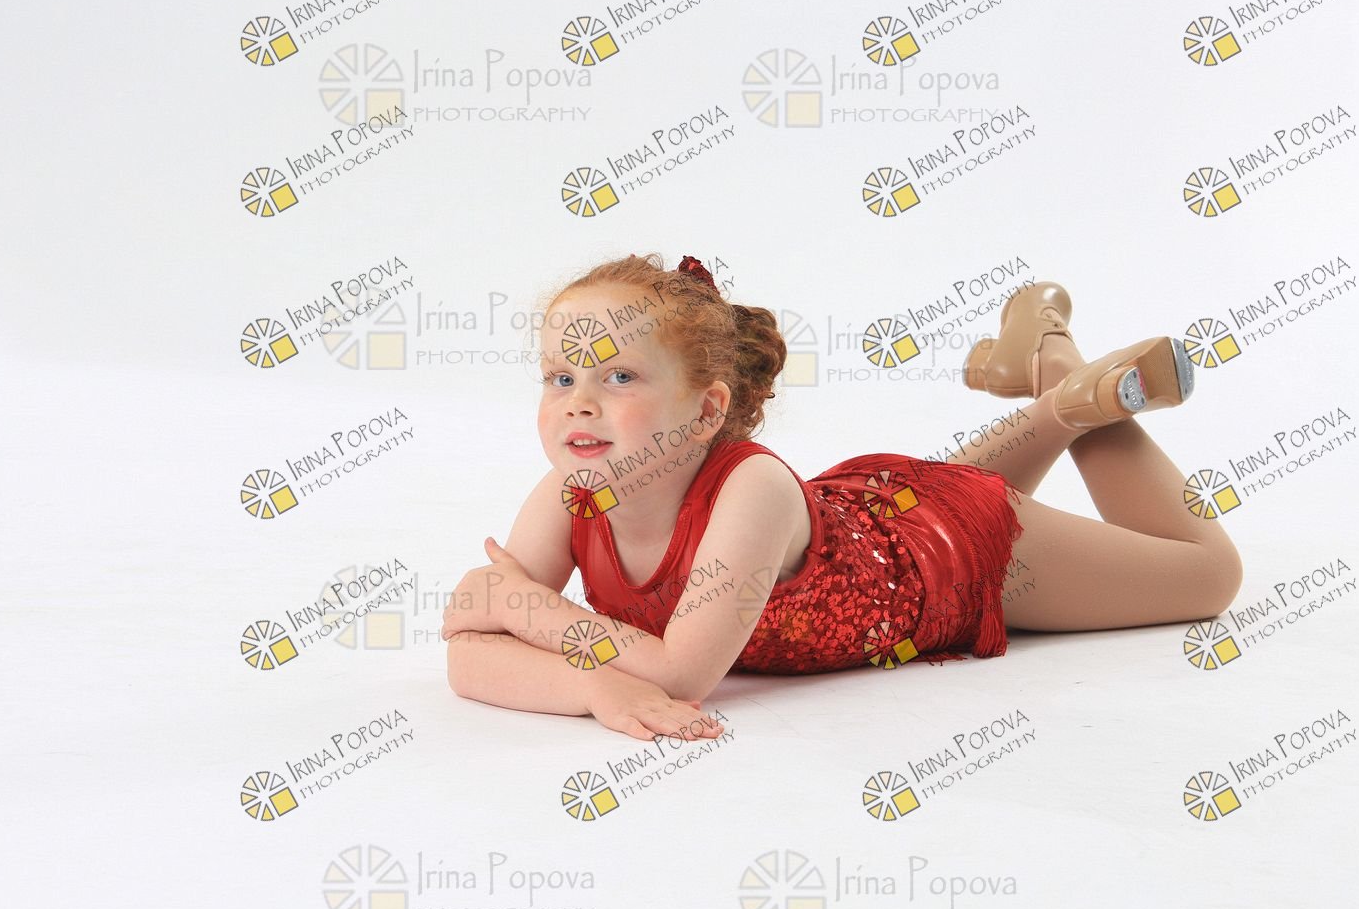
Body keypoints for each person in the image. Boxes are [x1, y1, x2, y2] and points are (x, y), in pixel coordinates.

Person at [442, 253, 1243, 742]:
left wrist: (524, 606)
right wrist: (589, 684)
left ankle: (1069, 383)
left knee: (1208, 576)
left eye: (619, 377)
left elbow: (680, 674)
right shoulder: (570, 495)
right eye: (560, 378)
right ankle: (1050, 371)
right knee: (957, 491)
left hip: (946, 564)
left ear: (708, 410)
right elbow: (467, 652)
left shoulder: (752, 488)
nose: (579, 404)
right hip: (876, 517)